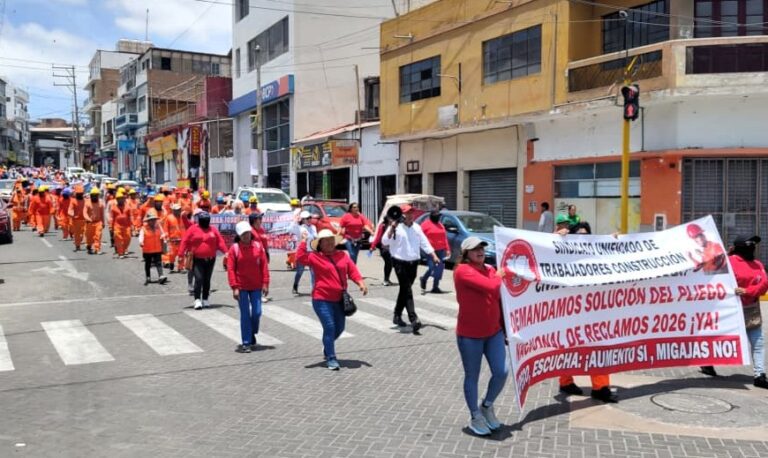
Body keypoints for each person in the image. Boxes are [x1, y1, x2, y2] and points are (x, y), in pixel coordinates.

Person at [454, 236, 509, 436]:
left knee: (502, 372)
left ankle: (487, 405)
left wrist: (504, 328)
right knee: (472, 376)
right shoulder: (462, 271)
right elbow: (493, 287)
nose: (480, 251)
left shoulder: (490, 270)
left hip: (494, 332)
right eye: (475, 249)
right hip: (470, 335)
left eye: (482, 248)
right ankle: (475, 416)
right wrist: (499, 275)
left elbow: (499, 298)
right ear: (466, 253)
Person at [557, 221, 617, 403]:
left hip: (595, 311)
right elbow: (544, 251)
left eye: (586, 235)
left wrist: (613, 242)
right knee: (569, 347)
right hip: (571, 311)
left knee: (599, 347)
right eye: (579, 235)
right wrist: (557, 237)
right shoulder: (564, 254)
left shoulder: (596, 253)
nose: (583, 238)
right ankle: (565, 381)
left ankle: (601, 387)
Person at [701, 235, 768, 388]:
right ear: (740, 246)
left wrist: (747, 291)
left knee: (758, 343)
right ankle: (707, 363)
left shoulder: (758, 264)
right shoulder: (729, 262)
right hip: (730, 310)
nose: (753, 247)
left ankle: (760, 375)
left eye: (754, 245)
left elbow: (764, 285)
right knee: (719, 339)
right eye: (750, 244)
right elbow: (710, 274)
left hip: (751, 311)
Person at [296, 229, 368, 370]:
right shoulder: (314, 257)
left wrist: (360, 283)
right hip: (321, 298)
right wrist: (304, 242)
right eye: (325, 240)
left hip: (339, 299)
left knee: (340, 328)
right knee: (329, 327)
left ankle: (327, 347)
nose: (329, 242)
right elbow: (299, 258)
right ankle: (331, 357)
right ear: (320, 244)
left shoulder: (343, 255)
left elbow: (352, 270)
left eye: (331, 240)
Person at [382, 204, 439, 335]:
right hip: (399, 263)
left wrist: (434, 255)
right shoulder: (396, 227)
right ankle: (414, 319)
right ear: (402, 214)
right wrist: (392, 228)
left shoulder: (417, 228)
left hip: (413, 263)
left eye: (412, 213)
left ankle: (397, 315)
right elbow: (385, 241)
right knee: (407, 290)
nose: (410, 215)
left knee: (404, 290)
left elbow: (424, 242)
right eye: (407, 213)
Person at [227, 221, 270, 353]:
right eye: (243, 234)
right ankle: (246, 342)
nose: (246, 236)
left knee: (257, 312)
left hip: (256, 286)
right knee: (245, 314)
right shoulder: (234, 249)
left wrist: (265, 283)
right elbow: (230, 269)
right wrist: (234, 287)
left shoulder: (258, 246)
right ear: (239, 235)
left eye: (248, 233)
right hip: (241, 287)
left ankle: (252, 332)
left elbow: (264, 266)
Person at [179, 211, 227, 310]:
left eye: (207, 221)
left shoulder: (213, 229)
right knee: (199, 278)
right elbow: (185, 241)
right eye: (203, 221)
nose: (205, 223)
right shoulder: (193, 229)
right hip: (197, 259)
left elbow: (220, 241)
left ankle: (205, 298)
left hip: (210, 259)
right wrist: (180, 255)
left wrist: (226, 252)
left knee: (207, 279)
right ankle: (197, 299)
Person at [419, 209, 451, 294]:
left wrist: (447, 249)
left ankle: (435, 287)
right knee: (432, 268)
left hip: (441, 250)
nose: (438, 218)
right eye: (436, 216)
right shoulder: (425, 225)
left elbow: (444, 238)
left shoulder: (441, 225)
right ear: (432, 216)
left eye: (439, 216)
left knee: (439, 269)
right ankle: (424, 279)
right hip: (430, 251)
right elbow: (420, 237)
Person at [291, 211, 316, 295]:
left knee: (313, 272)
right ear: (303, 220)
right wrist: (295, 220)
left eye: (310, 218)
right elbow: (290, 229)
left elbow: (316, 238)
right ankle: (295, 285)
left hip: (312, 252)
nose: (309, 220)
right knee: (299, 272)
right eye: (307, 218)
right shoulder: (299, 228)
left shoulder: (313, 227)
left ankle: (314, 290)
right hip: (303, 252)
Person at [139, 210, 168, 285]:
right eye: (151, 220)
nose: (153, 221)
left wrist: (163, 236)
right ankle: (148, 277)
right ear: (148, 221)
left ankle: (161, 276)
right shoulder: (144, 228)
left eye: (154, 220)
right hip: (148, 250)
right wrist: (141, 241)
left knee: (158, 262)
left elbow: (162, 233)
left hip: (157, 248)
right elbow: (141, 236)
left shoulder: (158, 226)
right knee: (148, 263)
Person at [370, 217, 394, 286]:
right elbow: (378, 237)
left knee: (389, 264)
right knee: (388, 263)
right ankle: (386, 280)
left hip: (391, 248)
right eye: (391, 218)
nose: (392, 220)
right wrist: (372, 247)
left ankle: (387, 279)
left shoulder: (393, 227)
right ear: (387, 219)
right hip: (384, 248)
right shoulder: (383, 226)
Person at [110, 190, 133, 258]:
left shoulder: (128, 207)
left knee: (128, 238)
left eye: (121, 199)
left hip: (127, 226)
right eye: (119, 199)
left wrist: (133, 226)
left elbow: (130, 216)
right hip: (117, 226)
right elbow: (112, 218)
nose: (120, 200)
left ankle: (124, 249)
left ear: (123, 199)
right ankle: (120, 253)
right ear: (117, 200)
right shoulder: (113, 208)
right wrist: (111, 227)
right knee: (118, 239)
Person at [163, 204, 186, 272]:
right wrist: (166, 237)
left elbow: (187, 226)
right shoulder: (169, 217)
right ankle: (171, 263)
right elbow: (165, 228)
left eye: (179, 210)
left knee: (181, 254)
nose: (178, 211)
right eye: (176, 210)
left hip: (182, 239)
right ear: (173, 210)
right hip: (172, 240)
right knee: (172, 254)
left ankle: (181, 267)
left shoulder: (183, 217)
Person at [84, 187, 105, 255]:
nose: (95, 197)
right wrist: (88, 219)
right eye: (93, 195)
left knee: (98, 235)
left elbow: (102, 214)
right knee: (89, 237)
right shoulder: (87, 203)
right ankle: (89, 246)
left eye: (96, 195)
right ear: (91, 196)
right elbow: (85, 213)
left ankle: (97, 249)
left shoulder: (101, 203)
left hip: (98, 222)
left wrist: (103, 222)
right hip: (89, 223)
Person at [68, 186, 87, 252]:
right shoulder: (73, 201)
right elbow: (70, 210)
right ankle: (77, 245)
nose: (80, 195)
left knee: (83, 233)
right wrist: (72, 214)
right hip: (76, 220)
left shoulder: (85, 200)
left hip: (85, 220)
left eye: (81, 193)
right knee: (77, 234)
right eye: (78, 193)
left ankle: (80, 242)